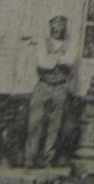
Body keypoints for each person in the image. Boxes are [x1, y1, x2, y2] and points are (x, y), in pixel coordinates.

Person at [24, 15, 78, 168]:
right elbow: (42, 63)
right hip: (43, 85)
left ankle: (49, 158)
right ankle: (30, 158)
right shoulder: (43, 43)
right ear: (50, 25)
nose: (58, 27)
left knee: (56, 124)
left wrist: (53, 58)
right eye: (55, 23)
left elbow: (69, 61)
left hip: (61, 86)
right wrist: (58, 59)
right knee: (35, 122)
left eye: (61, 24)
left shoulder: (70, 44)